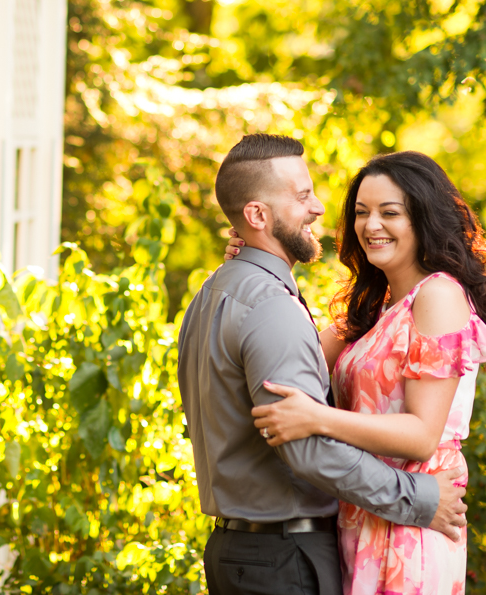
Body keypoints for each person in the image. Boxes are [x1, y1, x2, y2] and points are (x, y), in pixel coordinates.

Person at [178, 134, 469, 595]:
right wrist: (251, 260)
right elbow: (294, 372)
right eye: (361, 212)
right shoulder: (361, 309)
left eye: (389, 212)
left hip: (400, 523)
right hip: (342, 529)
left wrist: (318, 416)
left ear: (423, 219)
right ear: (257, 215)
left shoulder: (438, 296)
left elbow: (418, 433)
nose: (319, 208)